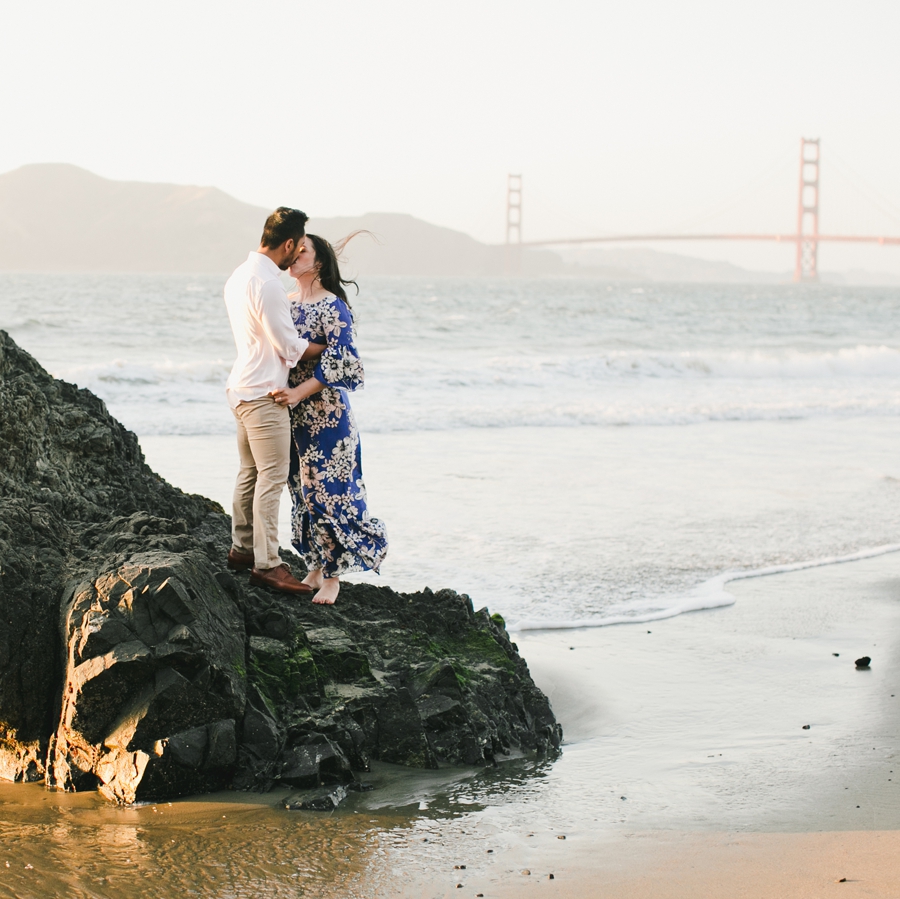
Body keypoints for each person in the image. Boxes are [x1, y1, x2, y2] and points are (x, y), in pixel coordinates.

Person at [271, 234, 388, 605]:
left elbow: (344, 361)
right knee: (301, 491)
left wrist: (297, 393)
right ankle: (315, 565)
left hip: (327, 416)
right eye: (293, 249)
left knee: (329, 491)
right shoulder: (284, 303)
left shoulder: (333, 306)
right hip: (291, 416)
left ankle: (334, 575)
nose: (294, 256)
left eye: (302, 251)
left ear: (319, 262)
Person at [223, 207, 325, 595]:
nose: (296, 254)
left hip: (241, 389)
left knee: (249, 471)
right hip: (265, 393)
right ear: (287, 244)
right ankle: (268, 564)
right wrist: (322, 347)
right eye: (297, 247)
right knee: (272, 476)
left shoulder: (238, 276)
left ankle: (242, 549)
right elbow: (288, 346)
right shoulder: (268, 285)